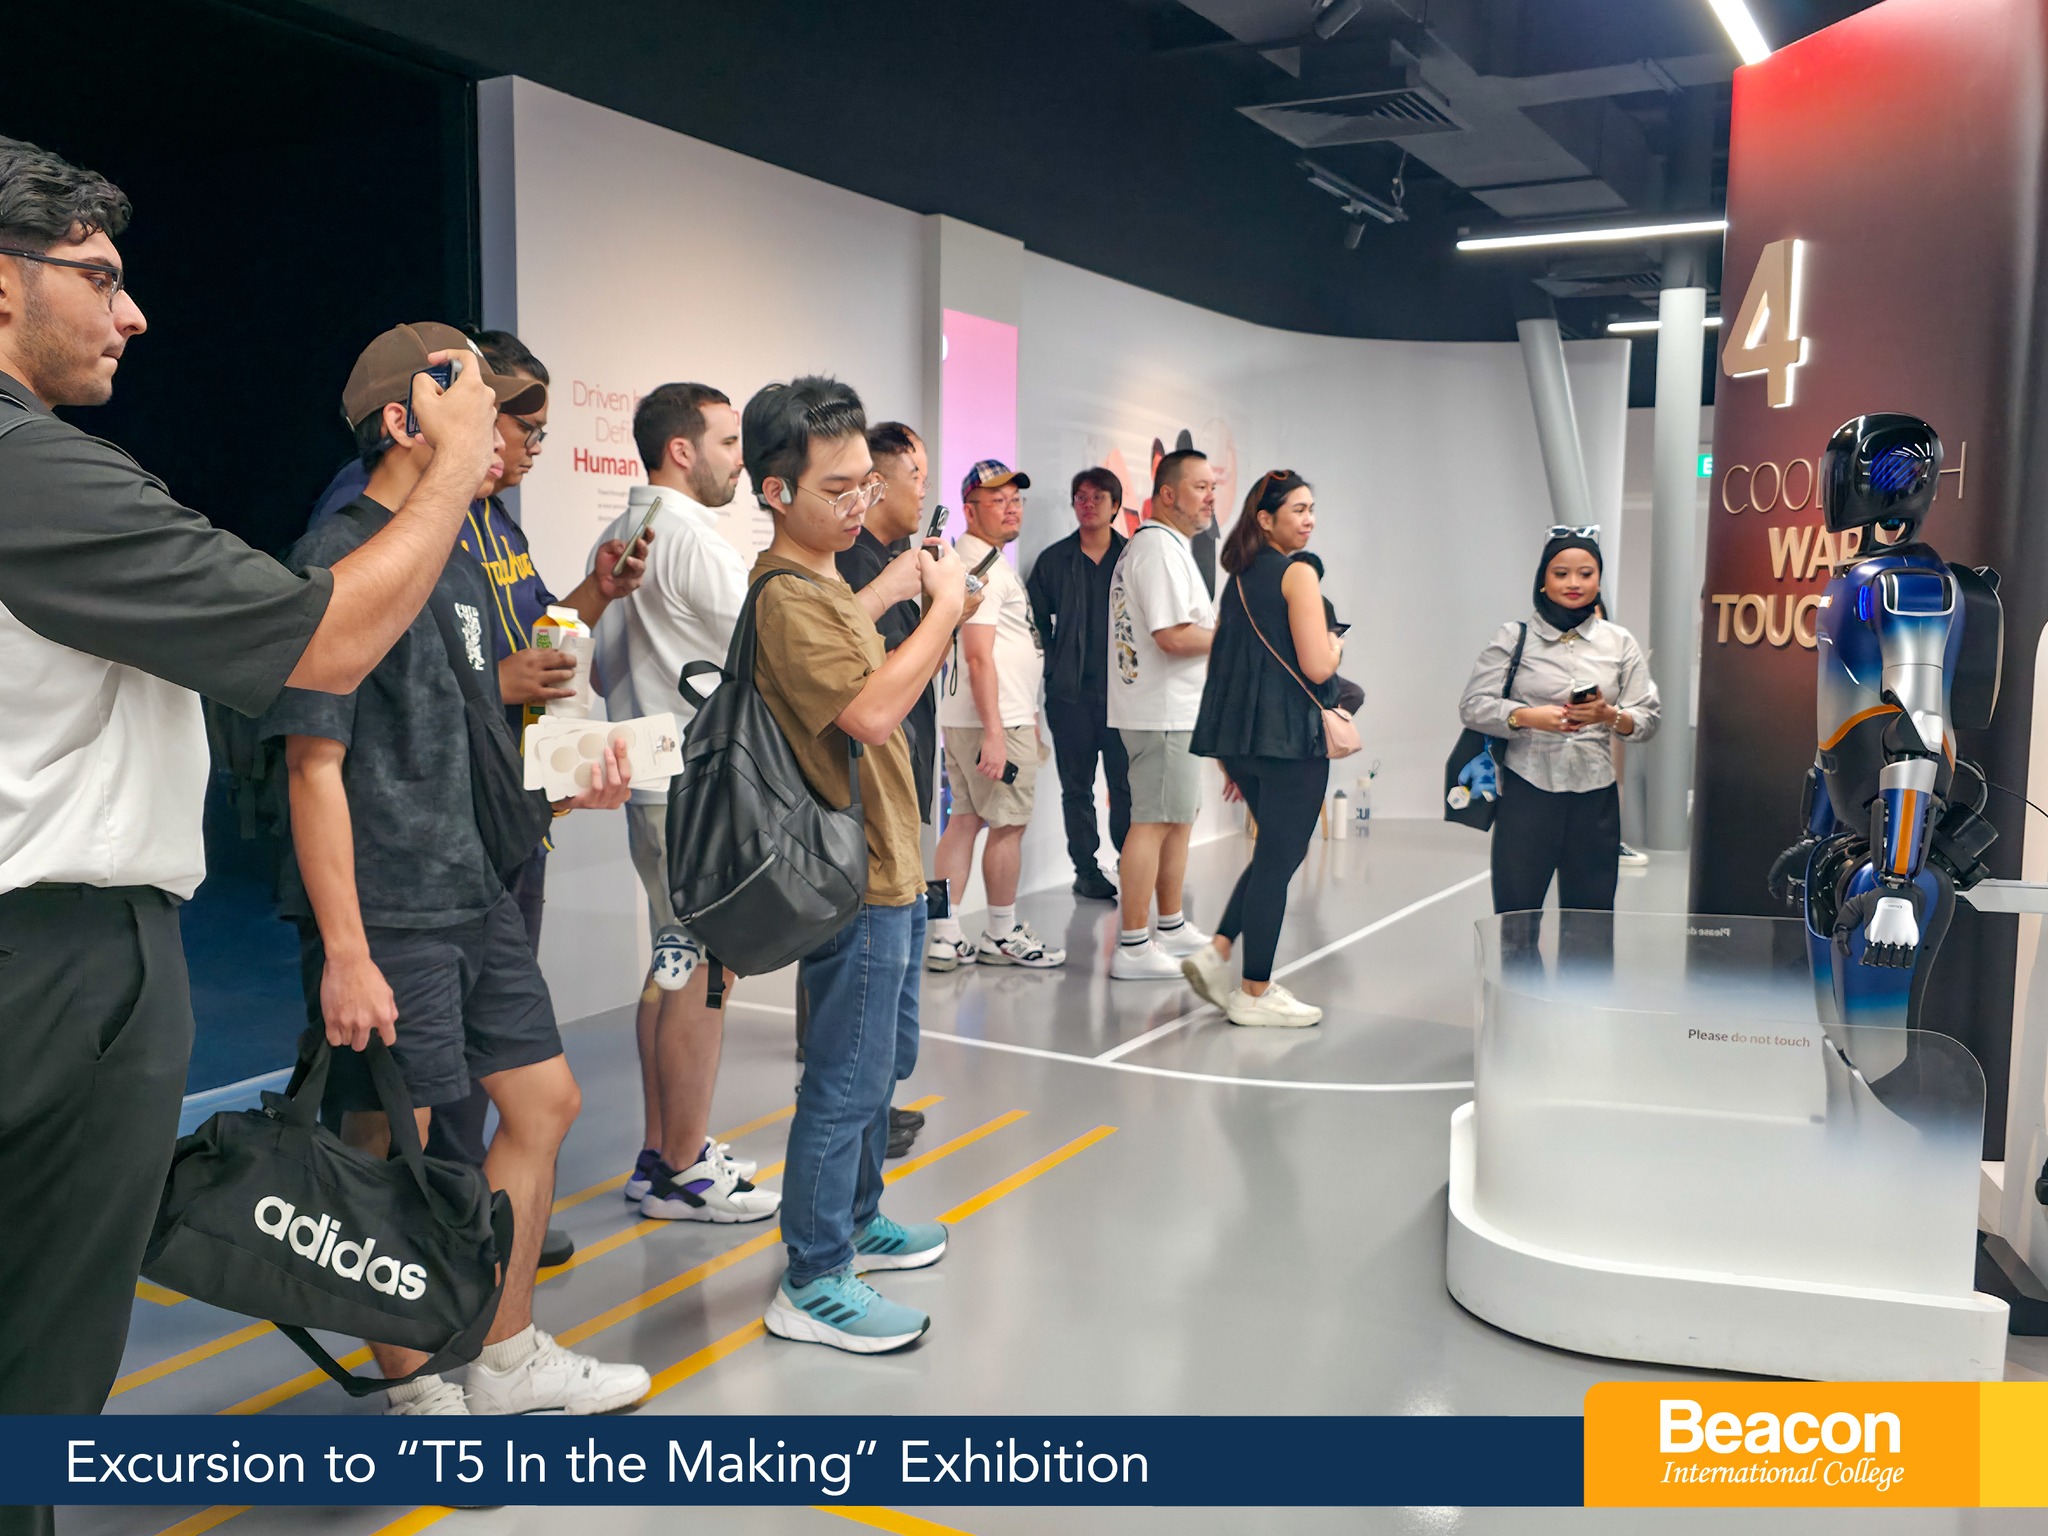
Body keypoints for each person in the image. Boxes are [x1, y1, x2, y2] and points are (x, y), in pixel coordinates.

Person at [0, 139, 500, 1456]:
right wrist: (460, 464)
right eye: (99, 278)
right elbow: (316, 646)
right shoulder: (28, 467)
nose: (133, 314)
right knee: (40, 1361)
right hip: (53, 959)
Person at [261, 323, 651, 1416]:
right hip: (388, 907)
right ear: (404, 422)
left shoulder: (465, 555)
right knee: (398, 1144)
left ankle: (504, 1354)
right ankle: (414, 1386)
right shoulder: (336, 557)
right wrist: (346, 952)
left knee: (544, 1103)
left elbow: (475, 733)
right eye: (476, 406)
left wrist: (566, 784)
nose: (501, 432)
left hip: (476, 887)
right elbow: (311, 765)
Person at [742, 375, 965, 1354]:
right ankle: (815, 1274)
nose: (856, 505)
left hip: (888, 861)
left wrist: (898, 587)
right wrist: (943, 610)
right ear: (775, 491)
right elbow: (870, 711)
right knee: (844, 1077)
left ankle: (859, 1220)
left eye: (863, 486)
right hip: (853, 873)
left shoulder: (823, 583)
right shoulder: (785, 598)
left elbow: (851, 641)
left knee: (879, 1066)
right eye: (836, 489)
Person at [423, 329, 651, 1270]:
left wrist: (595, 594)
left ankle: (472, 1208)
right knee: (435, 1052)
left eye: (540, 434)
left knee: (494, 1042)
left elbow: (534, 640)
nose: (529, 451)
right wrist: (498, 684)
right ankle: (434, 1231)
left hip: (514, 815)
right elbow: (379, 674)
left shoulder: (495, 520)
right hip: (444, 837)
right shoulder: (395, 517)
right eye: (524, 429)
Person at [591, 382, 776, 1223]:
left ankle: (663, 1153)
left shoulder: (620, 531)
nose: (742, 459)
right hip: (694, 788)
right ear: (681, 450)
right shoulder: (693, 538)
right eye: (729, 442)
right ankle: (684, 1169)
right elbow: (772, 651)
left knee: (675, 962)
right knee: (704, 970)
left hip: (657, 779)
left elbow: (599, 668)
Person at [831, 420, 953, 1157]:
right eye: (916, 478)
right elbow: (873, 694)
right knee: (863, 1007)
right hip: (865, 797)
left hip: (898, 784)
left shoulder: (895, 565)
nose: (922, 492)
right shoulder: (850, 573)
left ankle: (872, 1123)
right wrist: (940, 614)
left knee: (890, 1006)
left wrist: (943, 609)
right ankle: (857, 1133)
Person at [1185, 472, 1340, 1028]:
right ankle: (1254, 991)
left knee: (1273, 852)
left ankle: (1218, 948)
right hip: (1291, 742)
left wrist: (1228, 754)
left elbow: (1222, 666)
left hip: (1243, 742)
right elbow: (1317, 666)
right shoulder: (1299, 574)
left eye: (1311, 508)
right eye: (1297, 509)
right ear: (1266, 519)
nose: (1309, 519)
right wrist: (1336, 645)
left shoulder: (1240, 579)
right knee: (1279, 860)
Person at [1458, 529, 1662, 928]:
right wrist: (1526, 717)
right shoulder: (1513, 637)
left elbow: (1648, 718)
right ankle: (1518, 972)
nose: (1574, 583)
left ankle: (1585, 975)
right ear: (1543, 580)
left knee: (1592, 918)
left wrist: (1608, 715)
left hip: (1595, 795)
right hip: (1527, 791)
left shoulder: (1619, 642)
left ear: (1598, 580)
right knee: (1517, 914)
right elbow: (1473, 706)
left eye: (1586, 574)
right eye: (1561, 573)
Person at [928, 460, 1067, 970]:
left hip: (975, 717)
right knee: (1008, 826)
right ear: (969, 510)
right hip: (993, 721)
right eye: (997, 501)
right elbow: (978, 656)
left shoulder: (976, 561)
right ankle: (1002, 933)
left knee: (963, 822)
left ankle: (945, 935)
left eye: (1015, 499)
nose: (1011, 509)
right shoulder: (978, 569)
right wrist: (996, 732)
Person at [1106, 449, 1219, 980]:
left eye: (1213, 487)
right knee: (1152, 822)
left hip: (1174, 710)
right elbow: (1171, 636)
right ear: (1168, 494)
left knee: (1175, 820)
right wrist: (1233, 640)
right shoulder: (1156, 548)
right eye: (1200, 487)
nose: (1211, 497)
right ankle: (1132, 946)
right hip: (1162, 711)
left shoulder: (1167, 546)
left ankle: (1169, 926)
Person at [1027, 467, 1131, 901]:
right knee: (1077, 789)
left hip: (1125, 697)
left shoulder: (1132, 558)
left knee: (1126, 787)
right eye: (1081, 497)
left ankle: (1131, 862)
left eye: (1098, 497)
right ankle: (1086, 871)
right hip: (1071, 698)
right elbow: (1035, 623)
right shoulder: (1054, 561)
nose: (1088, 505)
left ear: (1115, 505)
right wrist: (1054, 666)